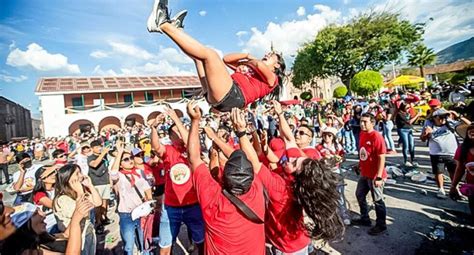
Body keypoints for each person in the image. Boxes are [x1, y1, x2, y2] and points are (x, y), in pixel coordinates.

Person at [147, 0, 286, 112]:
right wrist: (247, 56)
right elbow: (226, 59)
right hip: (222, 94)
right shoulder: (251, 68)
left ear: (277, 65)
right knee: (199, 59)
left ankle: (163, 24)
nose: (267, 54)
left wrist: (248, 61)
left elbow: (259, 64)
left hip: (234, 95)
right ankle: (176, 32)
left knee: (211, 55)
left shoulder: (272, 79)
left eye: (272, 55)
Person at [186, 101, 266, 254]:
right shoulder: (256, 191)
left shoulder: (212, 196)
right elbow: (251, 160)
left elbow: (194, 158)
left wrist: (195, 121)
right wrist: (241, 132)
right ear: (250, 177)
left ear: (224, 175)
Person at [150, 108, 205, 255]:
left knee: (202, 243)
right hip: (171, 207)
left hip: (193, 204)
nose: (180, 135)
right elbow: (156, 146)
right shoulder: (168, 150)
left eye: (181, 132)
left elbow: (190, 141)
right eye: (176, 133)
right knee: (165, 245)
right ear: (170, 137)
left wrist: (176, 119)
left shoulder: (191, 151)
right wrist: (154, 128)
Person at [110, 142, 153, 255]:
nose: (130, 160)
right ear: (120, 164)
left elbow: (146, 188)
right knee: (129, 246)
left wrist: (150, 202)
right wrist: (119, 153)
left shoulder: (139, 172)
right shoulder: (118, 176)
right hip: (126, 215)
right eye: (126, 159)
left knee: (145, 243)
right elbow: (113, 172)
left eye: (131, 158)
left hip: (141, 212)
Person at [53, 164, 102, 255]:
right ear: (68, 178)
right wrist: (80, 192)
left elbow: (98, 203)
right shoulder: (62, 199)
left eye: (80, 172)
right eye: (77, 174)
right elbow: (84, 213)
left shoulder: (81, 192)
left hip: (89, 234)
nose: (81, 176)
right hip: (77, 238)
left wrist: (90, 185)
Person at [352, 113, 388, 236]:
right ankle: (365, 218)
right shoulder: (362, 134)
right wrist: (359, 165)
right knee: (359, 194)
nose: (362, 124)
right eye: (361, 121)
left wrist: (378, 176)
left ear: (372, 123)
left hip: (375, 175)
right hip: (365, 173)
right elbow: (364, 153)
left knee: (378, 200)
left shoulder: (376, 136)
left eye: (365, 122)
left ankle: (381, 224)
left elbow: (382, 157)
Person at [421, 109, 459, 199]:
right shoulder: (429, 125)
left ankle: (455, 188)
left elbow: (468, 125)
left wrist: (456, 115)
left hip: (452, 153)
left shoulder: (450, 124)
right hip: (436, 153)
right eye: (440, 116)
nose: (443, 118)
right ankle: (441, 189)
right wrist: (426, 134)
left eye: (445, 116)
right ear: (434, 118)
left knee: (453, 172)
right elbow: (422, 139)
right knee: (438, 172)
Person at [316, 127, 350, 225]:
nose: (327, 137)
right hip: (324, 173)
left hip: (336, 171)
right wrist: (322, 160)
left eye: (329, 135)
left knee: (340, 194)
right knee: (325, 195)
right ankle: (328, 218)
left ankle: (344, 215)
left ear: (333, 137)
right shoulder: (318, 147)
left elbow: (343, 157)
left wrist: (340, 159)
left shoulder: (337, 146)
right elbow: (315, 158)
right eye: (325, 135)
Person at [87, 140, 111, 234]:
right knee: (98, 204)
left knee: (105, 202)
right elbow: (94, 164)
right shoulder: (90, 157)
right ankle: (98, 222)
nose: (99, 148)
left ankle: (104, 217)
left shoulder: (104, 156)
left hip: (105, 181)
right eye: (97, 147)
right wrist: (103, 154)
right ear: (92, 149)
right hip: (96, 183)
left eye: (100, 146)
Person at [450, 124, 474, 218]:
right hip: (472, 187)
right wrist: (453, 186)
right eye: (470, 130)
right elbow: (459, 169)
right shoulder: (462, 149)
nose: (472, 132)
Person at [32, 165, 59, 233]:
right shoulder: (39, 194)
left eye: (54, 172)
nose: (54, 175)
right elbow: (56, 206)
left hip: (60, 221)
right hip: (51, 226)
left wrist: (58, 167)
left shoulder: (57, 188)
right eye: (50, 174)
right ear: (43, 178)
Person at [395, 102, 420, 167]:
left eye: (409, 108)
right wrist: (417, 115)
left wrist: (417, 116)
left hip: (409, 129)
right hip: (402, 130)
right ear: (403, 107)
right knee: (406, 145)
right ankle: (405, 160)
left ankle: (413, 160)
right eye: (407, 108)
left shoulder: (407, 113)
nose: (408, 109)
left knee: (411, 145)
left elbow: (412, 122)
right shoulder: (400, 114)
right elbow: (409, 122)